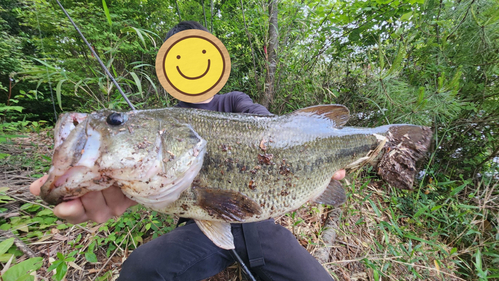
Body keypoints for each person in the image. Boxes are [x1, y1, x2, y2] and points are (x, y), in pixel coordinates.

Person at [30, 21, 346, 281]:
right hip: (200, 231)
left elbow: (267, 125)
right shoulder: (162, 121)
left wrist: (307, 149)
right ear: (168, 68)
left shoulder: (235, 101)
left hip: (261, 228)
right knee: (140, 269)